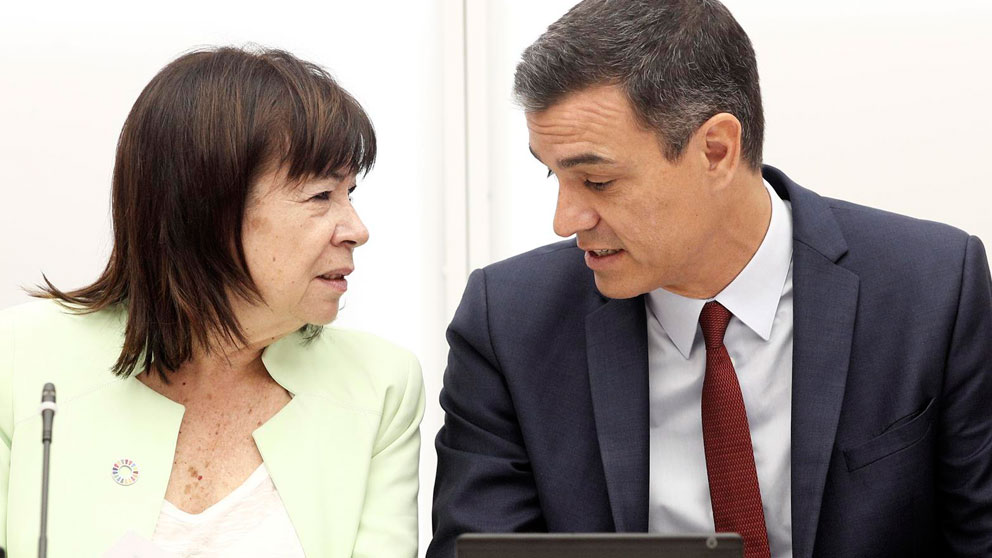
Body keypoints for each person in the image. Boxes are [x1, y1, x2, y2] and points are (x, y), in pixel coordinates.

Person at [428, 1, 992, 557]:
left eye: (597, 182)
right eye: (552, 175)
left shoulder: (933, 289)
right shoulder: (507, 323)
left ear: (716, 151)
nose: (564, 221)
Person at [0, 47, 424, 557]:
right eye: (320, 197)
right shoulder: (20, 359)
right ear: (208, 207)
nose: (357, 230)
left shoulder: (380, 386)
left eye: (350, 193)